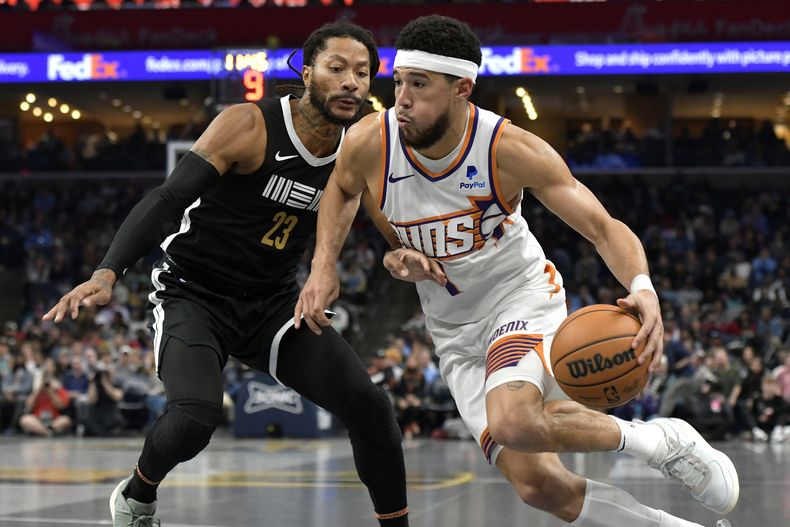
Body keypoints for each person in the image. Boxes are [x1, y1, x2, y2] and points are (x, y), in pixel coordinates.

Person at [297, 15, 738, 527]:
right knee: (539, 487)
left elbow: (601, 226)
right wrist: (334, 265)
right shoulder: (372, 141)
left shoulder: (507, 149)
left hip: (518, 297)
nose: (402, 100)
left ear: (462, 88)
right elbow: (342, 192)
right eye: (398, 82)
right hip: (453, 331)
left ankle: (661, 441)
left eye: (419, 85)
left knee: (514, 421)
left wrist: (642, 287)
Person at [43, 20, 408, 527]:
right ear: (306, 74)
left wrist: (406, 253)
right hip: (195, 293)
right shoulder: (249, 124)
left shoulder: (360, 146)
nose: (352, 82)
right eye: (337, 68)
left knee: (371, 408)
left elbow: (389, 225)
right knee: (195, 416)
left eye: (364, 73)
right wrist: (108, 272)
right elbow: (168, 198)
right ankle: (136, 494)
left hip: (274, 302)